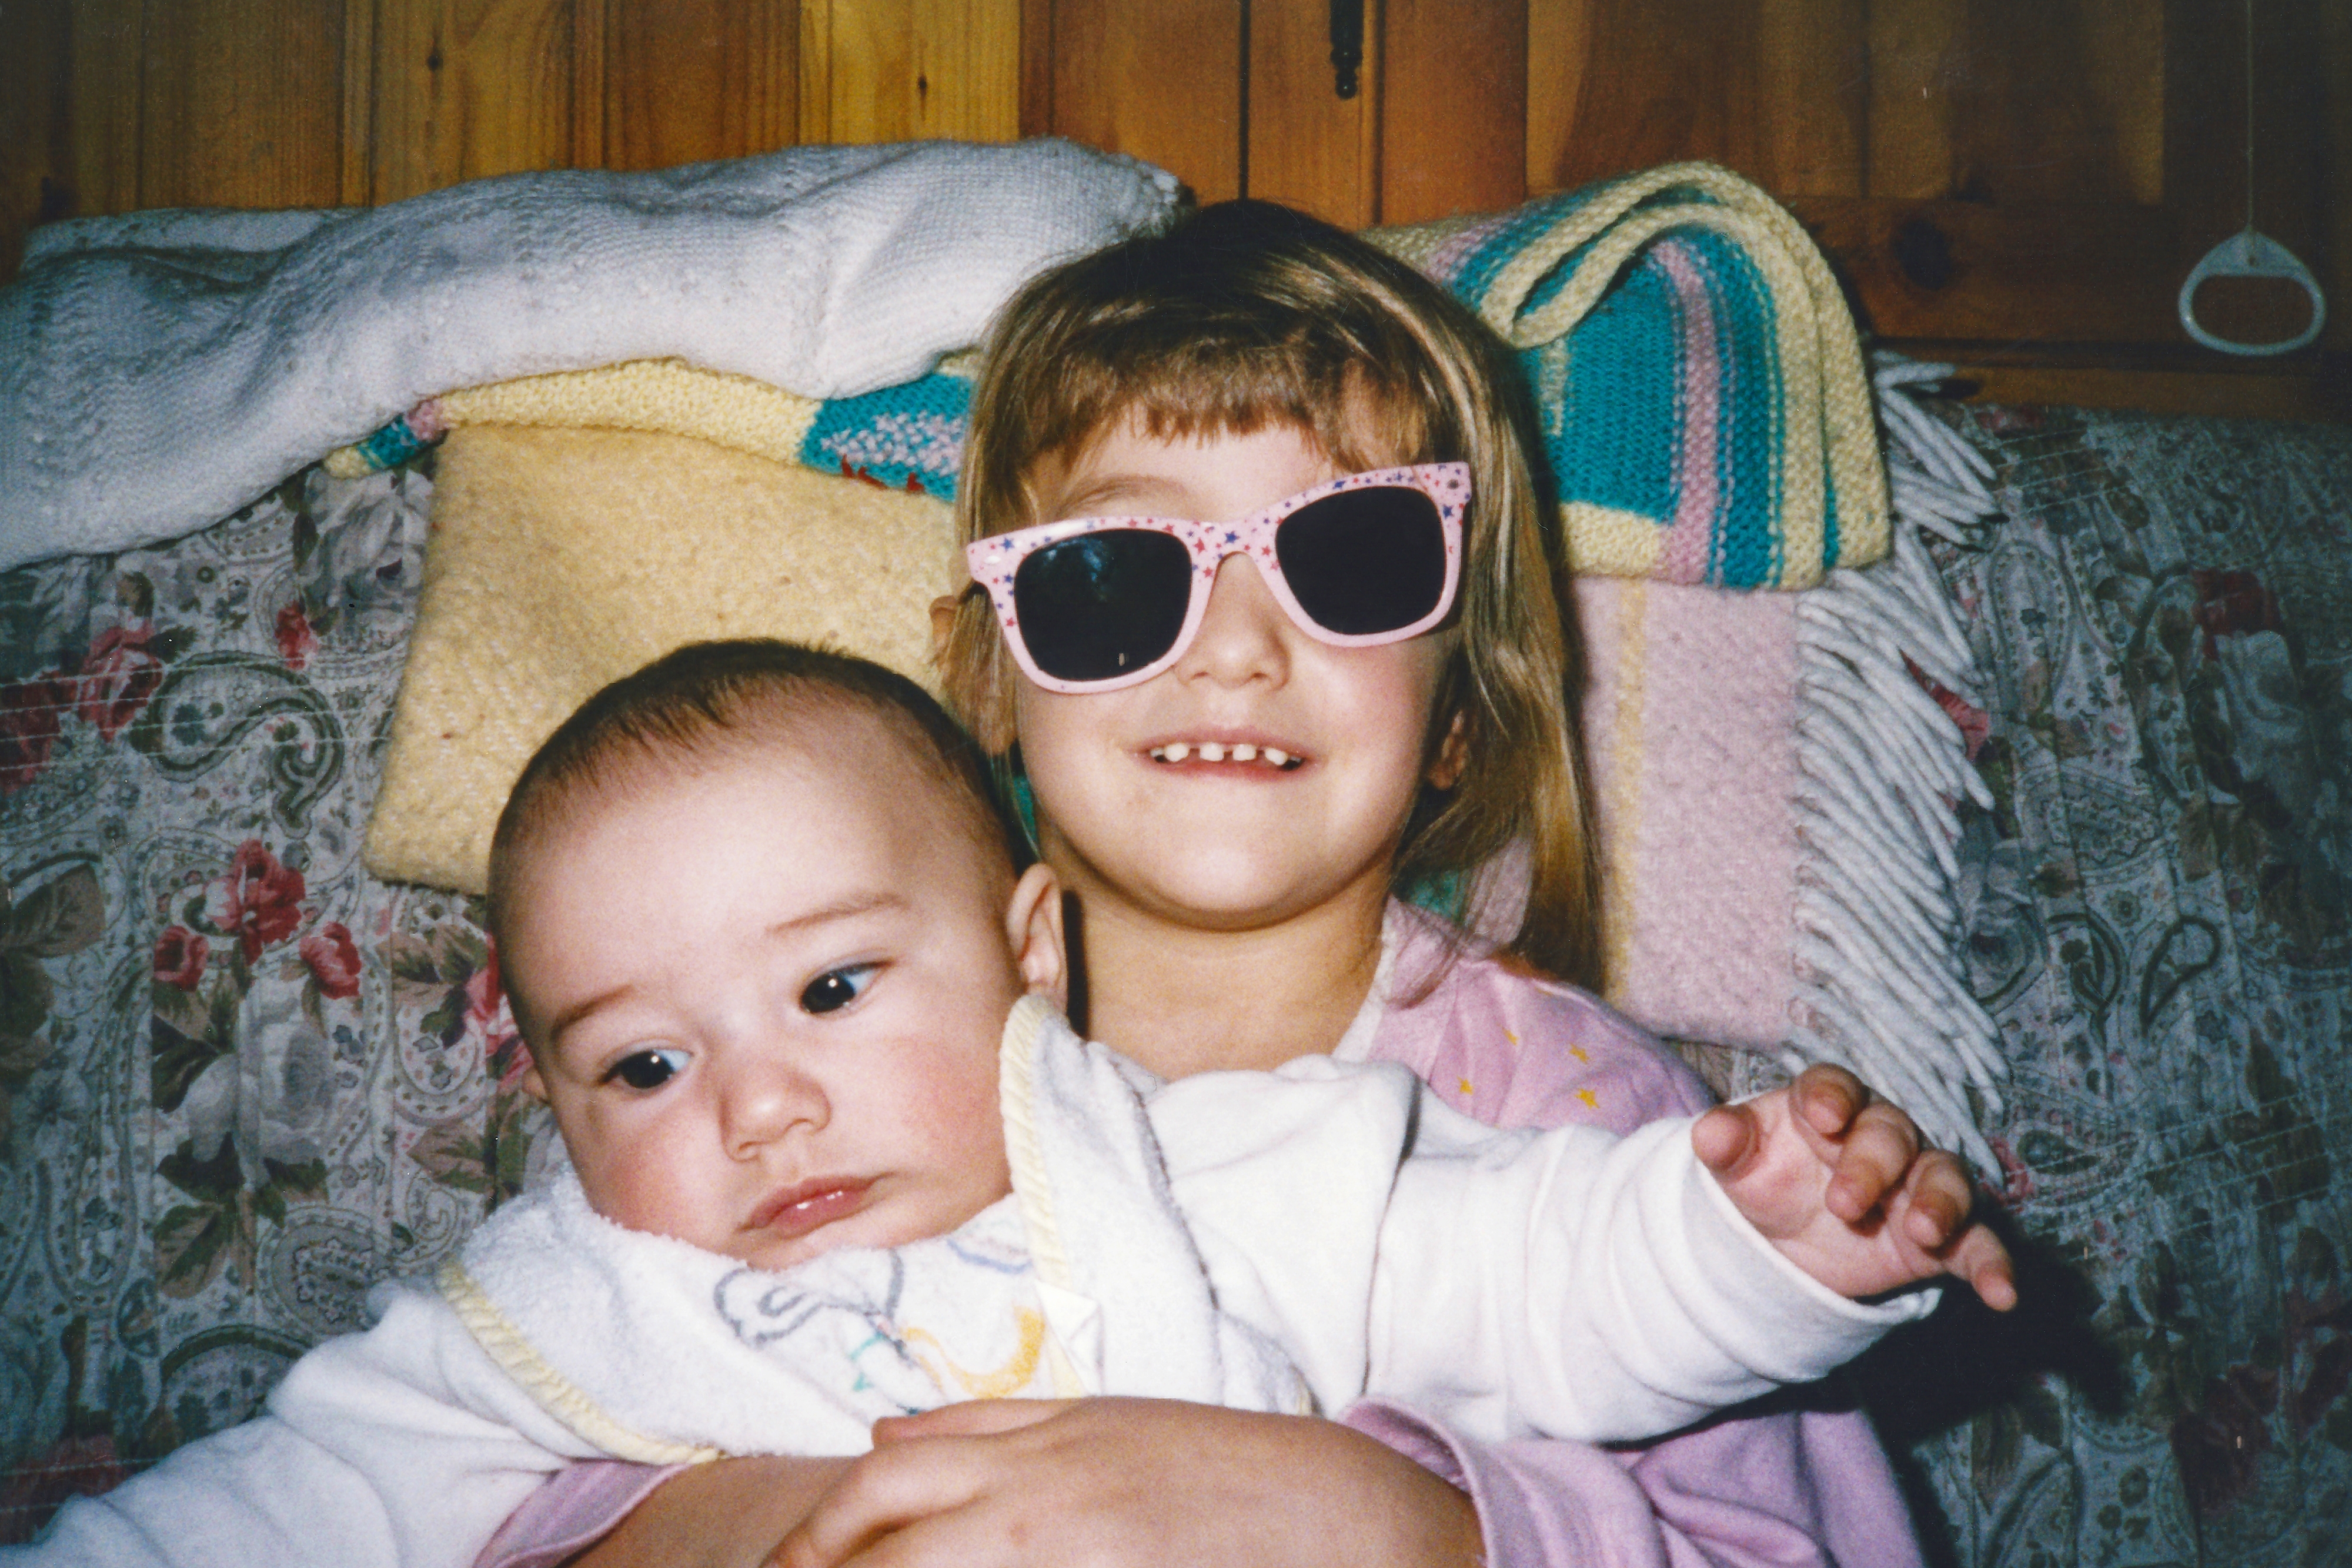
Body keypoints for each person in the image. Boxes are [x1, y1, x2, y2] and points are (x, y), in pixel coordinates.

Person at [505, 199, 2020, 1568]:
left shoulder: (1577, 1123)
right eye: (1115, 572)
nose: (1235, 647)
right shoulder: (774, 1052)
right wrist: (767, 1521)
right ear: (991, 675)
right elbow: (497, 1410)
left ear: (1461, 715)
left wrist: (1397, 1526)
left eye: (1353, 559)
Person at [12, 642, 2002, 1568]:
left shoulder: (1186, 1162)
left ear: (1025, 954)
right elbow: (254, 1517)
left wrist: (1767, 1243)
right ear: (548, 1093)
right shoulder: (551, 1318)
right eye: (644, 1061)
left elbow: (1541, 1262)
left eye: (832, 987)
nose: (762, 1105)